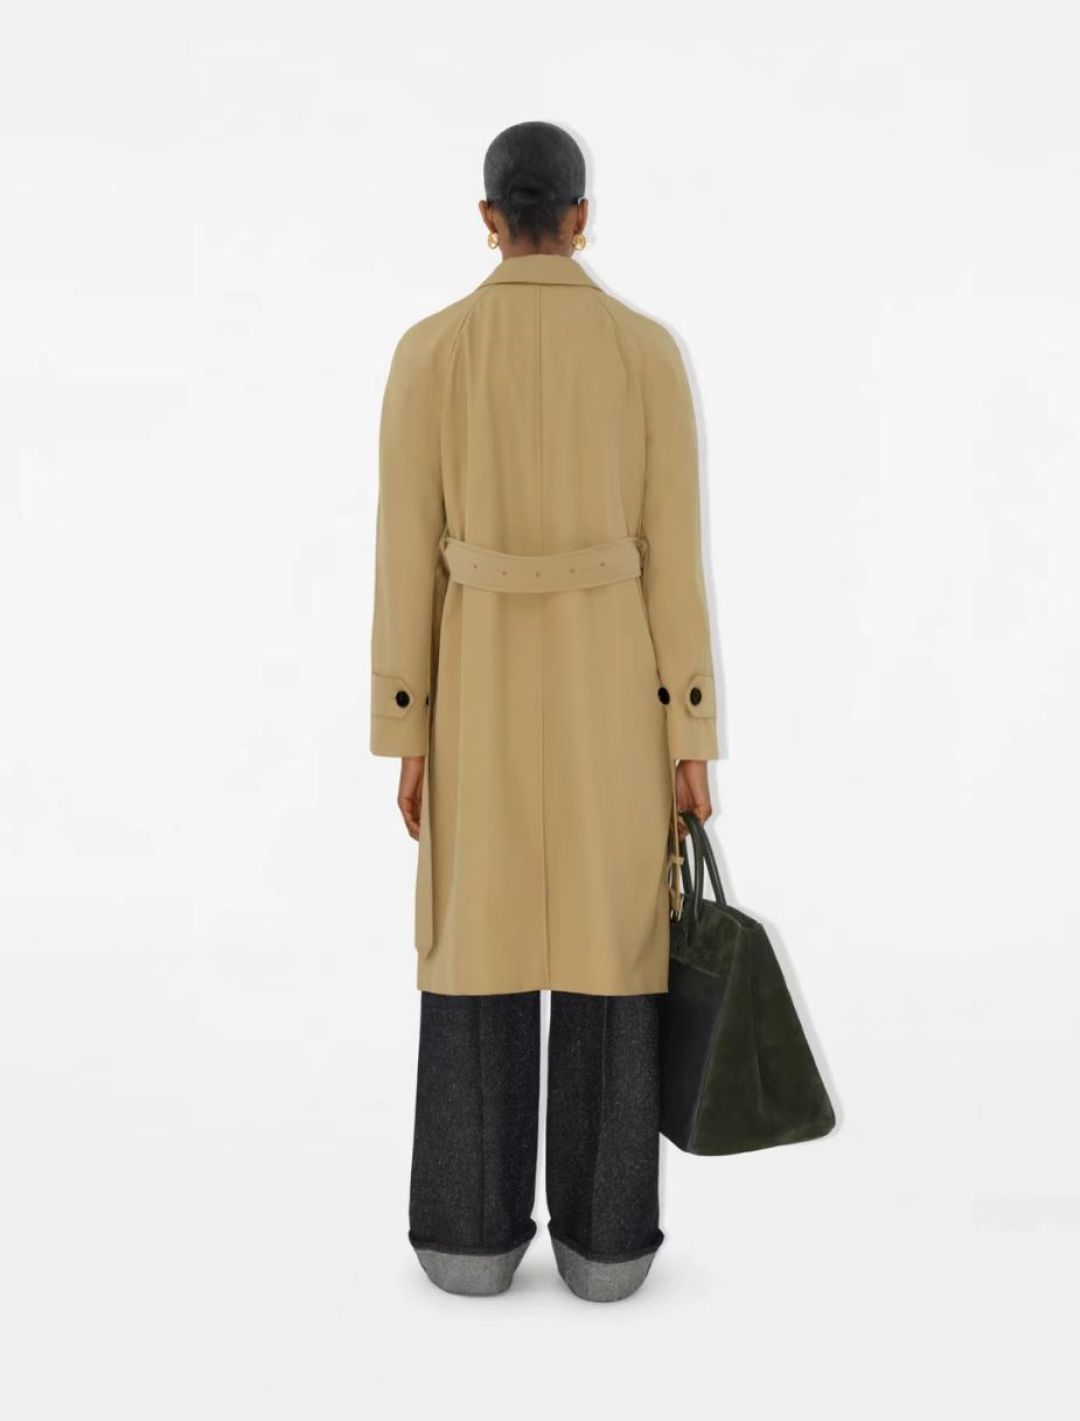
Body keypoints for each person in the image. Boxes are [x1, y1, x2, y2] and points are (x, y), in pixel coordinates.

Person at [370, 120, 719, 1302]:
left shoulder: (430, 352)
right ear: (581, 216)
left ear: (488, 219)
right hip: (615, 686)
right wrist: (688, 733)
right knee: (614, 943)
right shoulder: (646, 353)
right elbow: (676, 563)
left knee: (477, 937)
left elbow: (402, 557)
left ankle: (465, 1239)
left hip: (475, 683)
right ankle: (607, 1246)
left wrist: (408, 728)